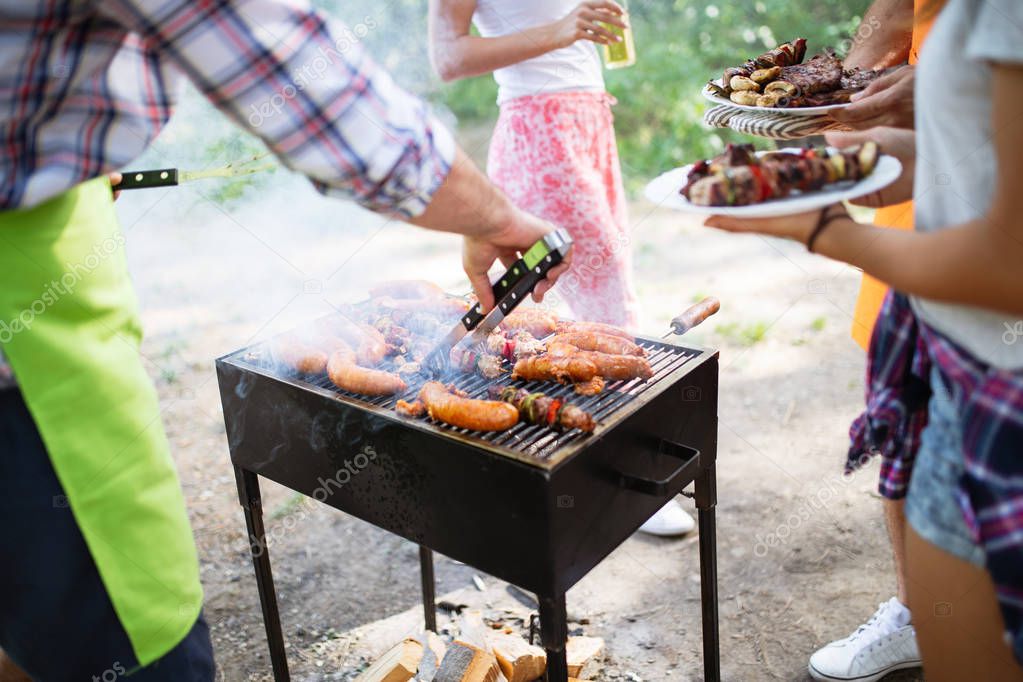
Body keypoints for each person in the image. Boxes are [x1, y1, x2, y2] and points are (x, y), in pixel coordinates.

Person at [0, 1, 568, 679]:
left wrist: (56, 160)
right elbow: (304, 84)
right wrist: (496, 214)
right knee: (135, 654)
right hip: (25, 361)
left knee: (27, 636)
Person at [704, 0, 1023, 678]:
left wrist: (824, 232)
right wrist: (875, 157)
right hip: (960, 370)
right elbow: (984, 157)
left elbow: (1011, 265)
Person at [428, 0, 692, 538]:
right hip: (540, 126)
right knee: (591, 295)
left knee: (575, 299)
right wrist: (562, 29)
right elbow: (448, 57)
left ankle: (578, 466)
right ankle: (623, 473)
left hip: (589, 116)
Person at [804, 1, 935, 679]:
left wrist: (940, 90)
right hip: (925, 220)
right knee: (910, 438)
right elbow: (892, 15)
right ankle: (918, 617)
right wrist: (828, 99)